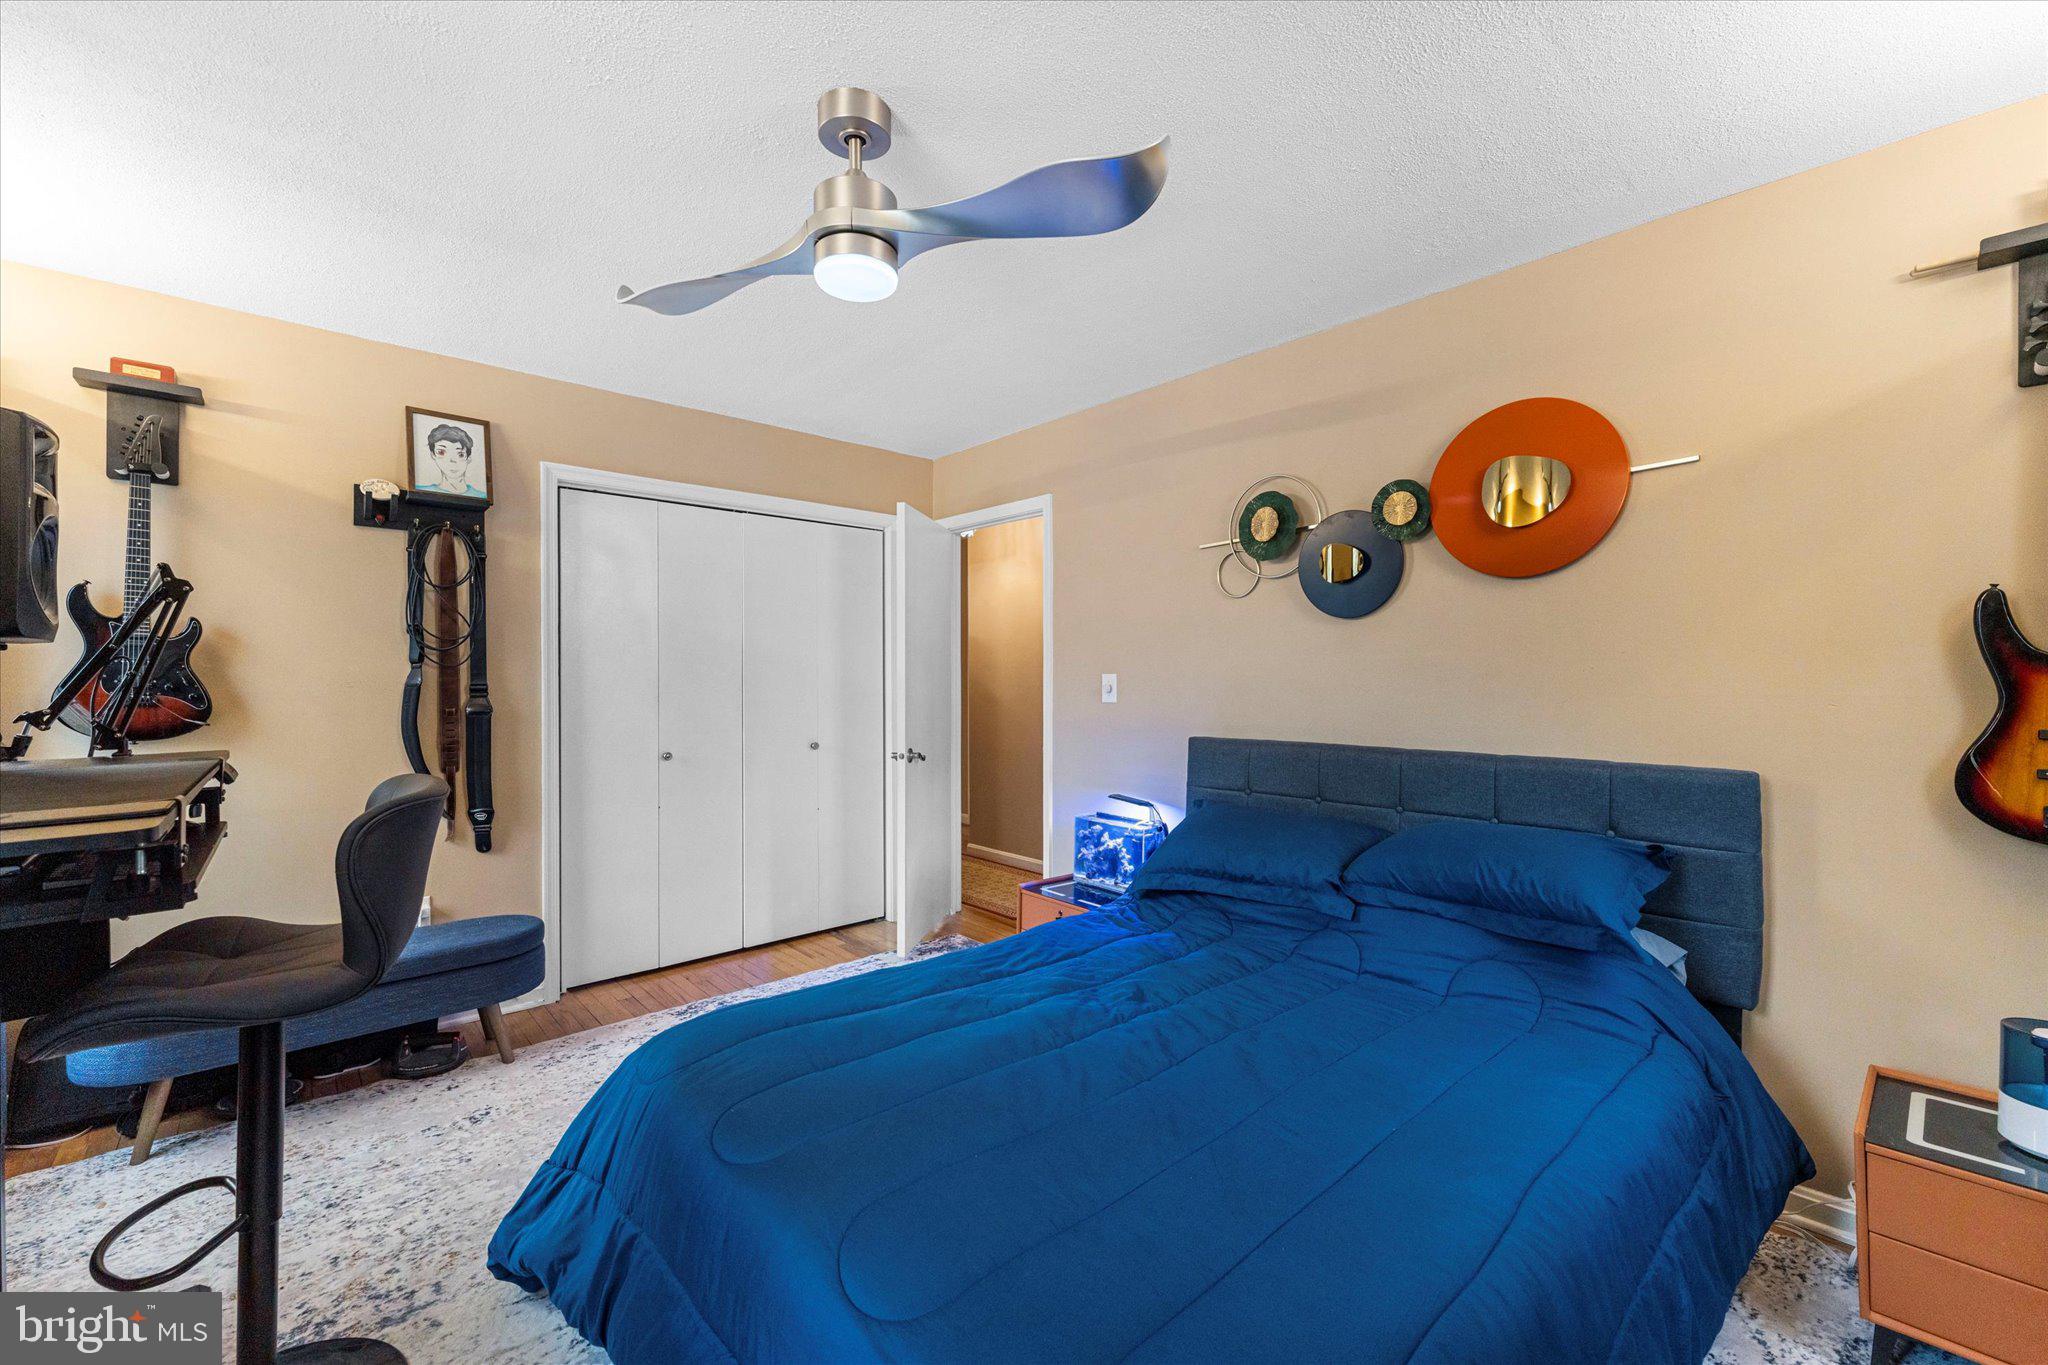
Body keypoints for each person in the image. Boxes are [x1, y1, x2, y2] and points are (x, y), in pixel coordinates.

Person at [417, 423, 485, 498]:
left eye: (460, 454)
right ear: (433, 455)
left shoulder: (481, 496)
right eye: (441, 452)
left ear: (469, 458)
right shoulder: (420, 491)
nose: (452, 460)